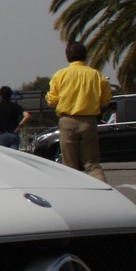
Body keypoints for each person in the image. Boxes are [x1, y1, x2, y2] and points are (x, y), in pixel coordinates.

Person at [48, 41, 114, 181]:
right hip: (89, 121)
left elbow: (51, 101)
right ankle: (103, 191)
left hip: (67, 121)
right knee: (92, 164)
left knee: (69, 165)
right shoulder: (96, 75)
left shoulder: (60, 75)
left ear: (67, 57)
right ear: (85, 56)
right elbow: (106, 100)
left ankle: (73, 193)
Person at [0, 85, 26, 149]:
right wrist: (19, 126)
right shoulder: (16, 106)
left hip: (1, 134)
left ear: (0, 95)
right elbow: (27, 115)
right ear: (10, 95)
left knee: (3, 156)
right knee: (14, 155)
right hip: (13, 134)